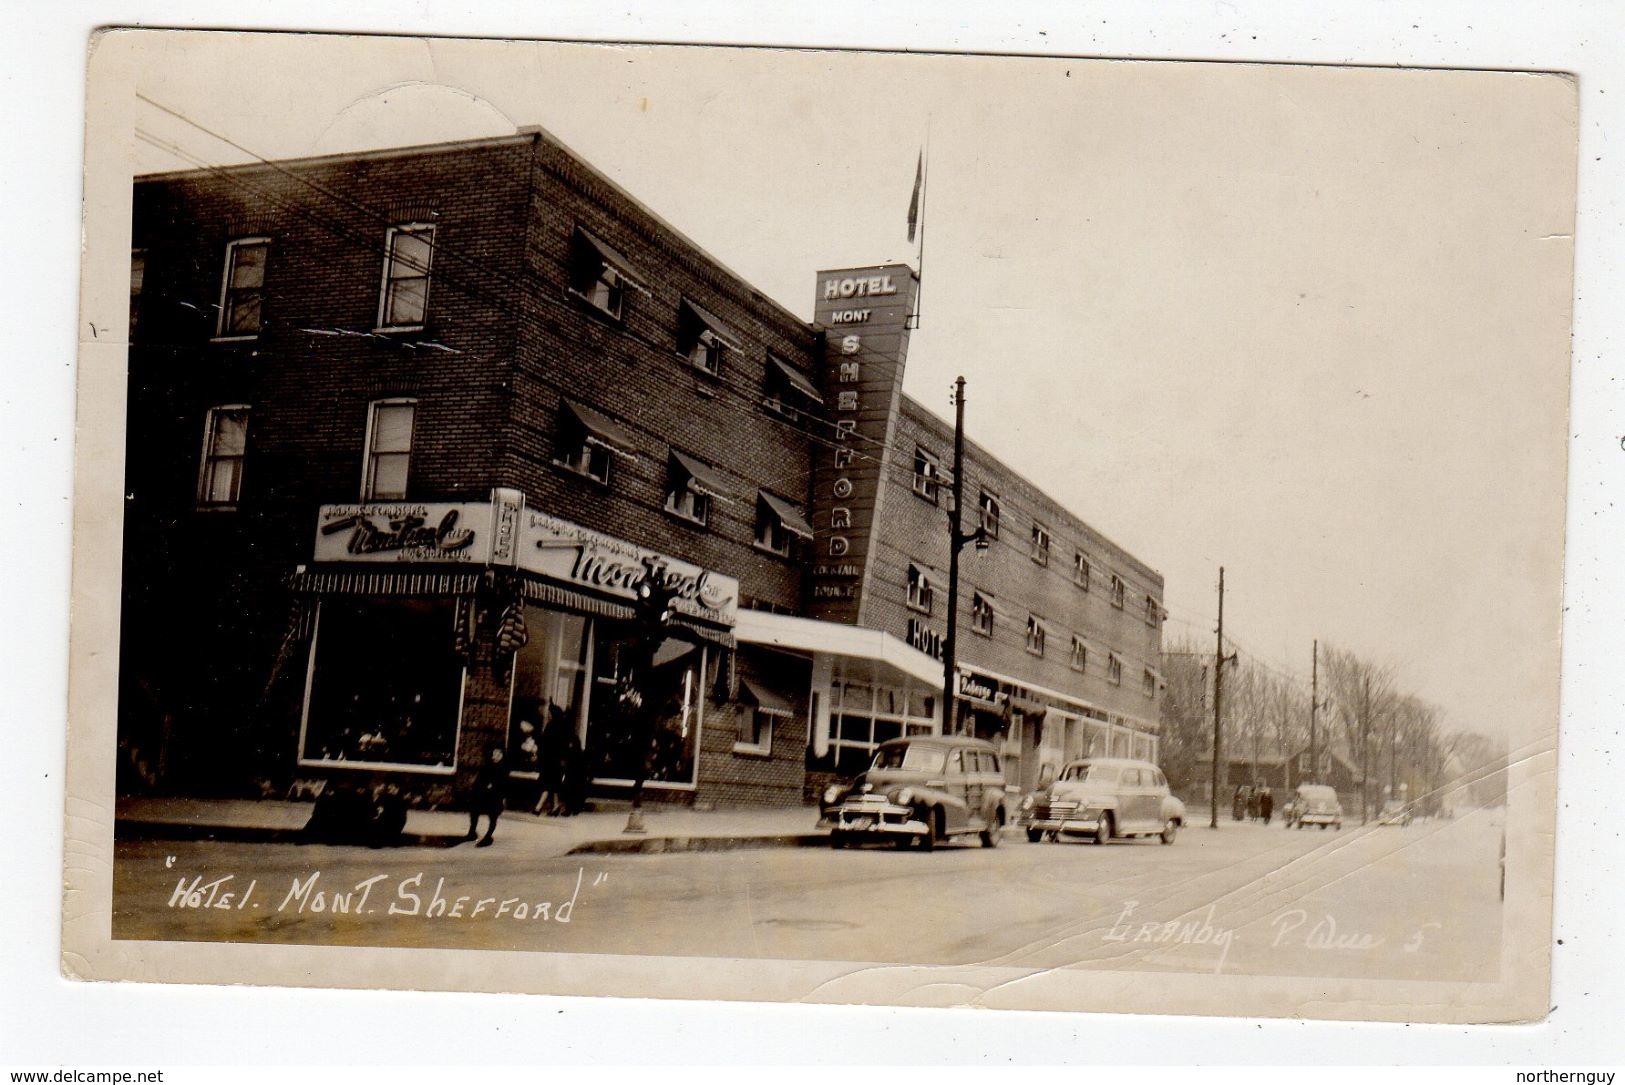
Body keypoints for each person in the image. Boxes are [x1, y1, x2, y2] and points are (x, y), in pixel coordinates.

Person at [465, 745, 507, 847]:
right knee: (474, 810)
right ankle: (472, 832)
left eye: (498, 754)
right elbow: (479, 779)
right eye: (494, 753)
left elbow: (504, 785)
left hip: (495, 796)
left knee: (493, 816)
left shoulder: (503, 768)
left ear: (502, 755)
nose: (495, 756)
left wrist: (501, 796)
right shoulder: (488, 766)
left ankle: (488, 836)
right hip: (483, 795)